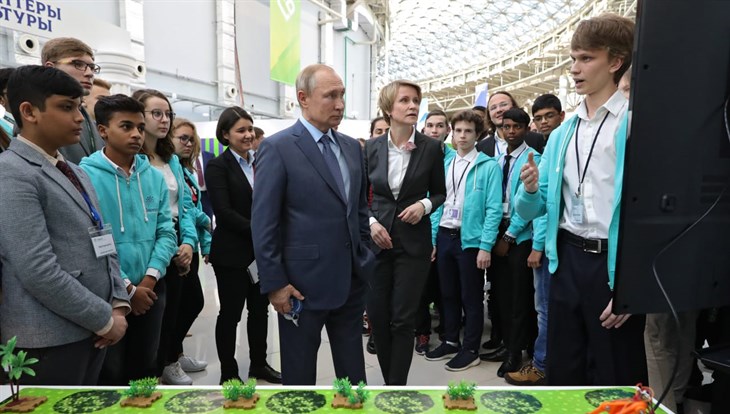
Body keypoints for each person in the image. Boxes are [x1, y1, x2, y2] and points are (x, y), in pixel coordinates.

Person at [516, 13, 647, 386]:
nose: (574, 68)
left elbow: (651, 214)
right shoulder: (562, 133)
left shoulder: (633, 125)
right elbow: (538, 206)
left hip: (613, 266)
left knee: (614, 373)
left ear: (616, 61)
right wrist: (528, 189)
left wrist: (630, 287)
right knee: (563, 370)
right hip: (564, 262)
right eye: (573, 58)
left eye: (586, 58)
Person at [0, 65, 129, 384]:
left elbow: (103, 238)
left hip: (93, 329)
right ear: (29, 111)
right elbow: (37, 269)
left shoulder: (75, 170)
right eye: (66, 107)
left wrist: (119, 302)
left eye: (79, 107)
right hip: (47, 339)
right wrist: (104, 319)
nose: (79, 117)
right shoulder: (12, 174)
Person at [252, 64, 375, 385]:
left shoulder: (351, 147)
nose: (340, 104)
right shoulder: (277, 148)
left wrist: (365, 257)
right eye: (330, 96)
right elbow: (264, 223)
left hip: (350, 280)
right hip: (299, 287)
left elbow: (359, 210)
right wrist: (275, 283)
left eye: (342, 95)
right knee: (299, 373)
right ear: (303, 98)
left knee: (353, 372)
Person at [79, 94, 177, 385]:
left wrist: (148, 280)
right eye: (126, 126)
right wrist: (128, 289)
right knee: (111, 372)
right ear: (103, 130)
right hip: (108, 292)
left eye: (139, 126)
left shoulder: (154, 177)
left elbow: (166, 232)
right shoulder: (85, 177)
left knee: (145, 367)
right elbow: (92, 238)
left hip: (152, 289)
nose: (136, 134)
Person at [365, 79, 446, 385]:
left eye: (416, 101)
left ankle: (395, 389)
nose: (413, 106)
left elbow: (440, 192)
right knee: (378, 318)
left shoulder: (432, 148)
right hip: (377, 243)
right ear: (388, 108)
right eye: (405, 101)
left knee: (403, 320)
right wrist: (371, 224)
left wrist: (424, 205)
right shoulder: (371, 148)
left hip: (414, 245)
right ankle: (390, 384)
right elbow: (360, 199)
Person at [205, 107, 281, 384]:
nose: (248, 135)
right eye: (241, 130)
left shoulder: (260, 163)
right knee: (230, 314)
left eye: (250, 129)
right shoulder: (217, 165)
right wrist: (264, 231)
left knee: (260, 312)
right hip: (232, 255)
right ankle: (229, 371)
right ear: (225, 135)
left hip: (260, 254)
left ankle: (259, 365)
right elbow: (224, 213)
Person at [424, 110, 502, 371]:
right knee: (447, 293)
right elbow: (437, 204)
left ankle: (470, 348)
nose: (462, 136)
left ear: (478, 134)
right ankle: (450, 340)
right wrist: (433, 239)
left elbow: (493, 209)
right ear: (451, 132)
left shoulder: (488, 166)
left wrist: (485, 246)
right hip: (446, 235)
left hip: (470, 240)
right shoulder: (445, 163)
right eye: (458, 130)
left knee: (471, 296)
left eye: (468, 131)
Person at [132, 89, 199, 385]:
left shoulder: (171, 160)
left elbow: (185, 206)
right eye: (156, 113)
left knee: (184, 306)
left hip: (177, 241)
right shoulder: (134, 159)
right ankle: (159, 367)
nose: (164, 120)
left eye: (168, 114)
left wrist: (189, 242)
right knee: (154, 318)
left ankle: (169, 360)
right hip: (151, 245)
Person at [505, 94, 565, 386]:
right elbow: (538, 201)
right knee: (543, 308)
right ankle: (542, 362)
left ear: (561, 116)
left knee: (545, 309)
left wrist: (537, 245)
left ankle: (542, 364)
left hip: (551, 243)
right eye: (539, 117)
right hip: (551, 241)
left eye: (548, 116)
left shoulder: (551, 149)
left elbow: (547, 207)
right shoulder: (550, 146)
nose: (544, 122)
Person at [478, 108, 540, 378]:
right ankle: (504, 343)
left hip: (519, 236)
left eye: (517, 126)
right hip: (497, 231)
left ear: (526, 128)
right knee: (499, 293)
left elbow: (530, 206)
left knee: (518, 298)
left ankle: (516, 352)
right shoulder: (496, 159)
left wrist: (509, 235)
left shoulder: (533, 158)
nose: (511, 131)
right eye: (506, 126)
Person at [170, 117, 213, 376]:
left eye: (190, 139)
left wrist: (205, 244)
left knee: (190, 302)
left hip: (190, 242)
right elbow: (187, 209)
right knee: (186, 303)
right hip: (175, 244)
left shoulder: (185, 171)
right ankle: (169, 359)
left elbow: (195, 207)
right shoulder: (166, 169)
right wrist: (205, 220)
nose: (188, 144)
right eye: (182, 138)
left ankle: (176, 354)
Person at [414, 109, 451, 356]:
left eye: (440, 125)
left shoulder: (458, 158)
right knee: (421, 288)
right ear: (424, 129)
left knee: (446, 287)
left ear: (447, 130)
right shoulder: (417, 157)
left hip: (449, 230)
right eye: (430, 126)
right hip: (422, 231)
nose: (435, 130)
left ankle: (449, 332)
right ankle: (422, 333)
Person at [41, 37, 105, 164]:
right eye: (78, 64)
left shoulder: (88, 119)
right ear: (50, 68)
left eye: (92, 67)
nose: (89, 73)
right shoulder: (36, 113)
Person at [475, 91, 545, 156]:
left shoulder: (537, 140)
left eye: (503, 105)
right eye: (493, 108)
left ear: (514, 107)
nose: (499, 110)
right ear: (489, 114)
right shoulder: (480, 148)